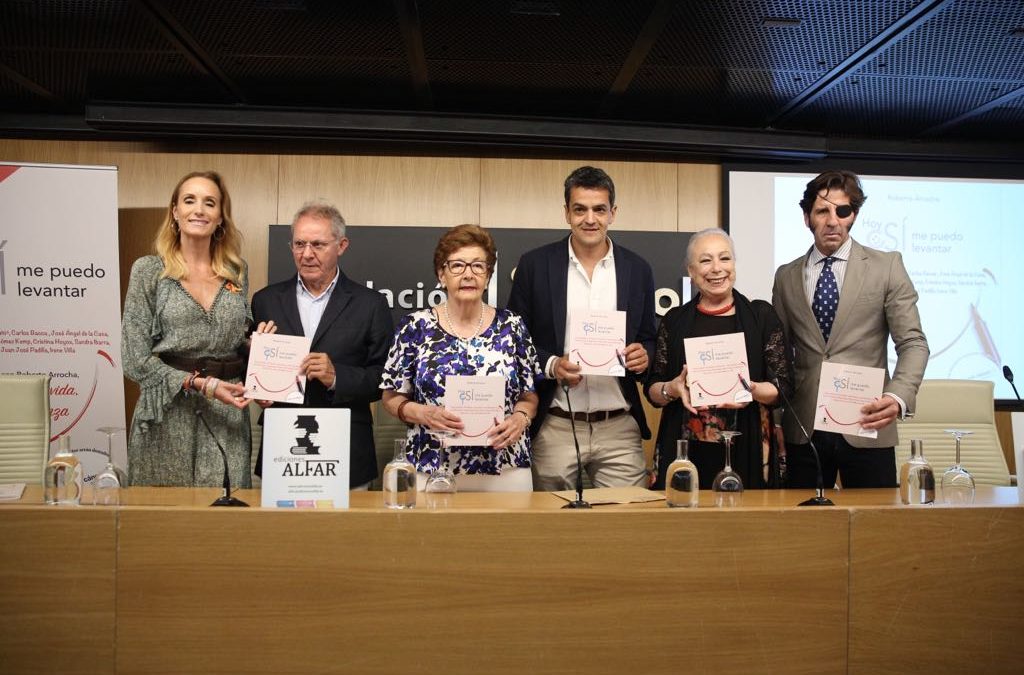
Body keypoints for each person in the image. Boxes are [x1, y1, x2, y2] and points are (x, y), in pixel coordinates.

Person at [772, 170, 929, 488]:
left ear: (853, 215)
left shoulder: (887, 266)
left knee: (876, 531)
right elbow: (779, 353)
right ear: (807, 217)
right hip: (803, 428)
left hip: (867, 423)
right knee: (803, 532)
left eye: (843, 211)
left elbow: (913, 342)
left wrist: (897, 397)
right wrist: (775, 419)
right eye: (822, 211)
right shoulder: (786, 276)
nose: (833, 220)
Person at [507, 166, 656, 490]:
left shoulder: (637, 268)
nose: (590, 219)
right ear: (566, 213)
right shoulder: (535, 265)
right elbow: (515, 341)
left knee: (628, 526)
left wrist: (644, 355)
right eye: (580, 209)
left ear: (613, 213)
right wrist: (551, 364)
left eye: (599, 209)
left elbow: (649, 337)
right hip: (556, 423)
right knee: (555, 532)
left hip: (618, 424)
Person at [380, 224, 541, 492]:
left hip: (505, 466)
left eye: (478, 266)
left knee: (511, 536)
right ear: (441, 274)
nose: (468, 274)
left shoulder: (512, 326)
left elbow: (529, 394)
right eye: (457, 266)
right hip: (430, 466)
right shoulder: (415, 327)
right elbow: (391, 397)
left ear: (488, 276)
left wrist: (521, 419)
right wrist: (422, 413)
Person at [122, 171, 253, 487]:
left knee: (226, 519)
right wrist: (201, 385)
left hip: (227, 415)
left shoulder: (236, 271)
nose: (199, 210)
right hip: (167, 415)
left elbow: (237, 340)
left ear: (220, 217)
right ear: (175, 212)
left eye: (210, 203)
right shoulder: (149, 271)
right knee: (164, 521)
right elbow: (134, 358)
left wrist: (262, 348)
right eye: (189, 200)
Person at [251, 201, 393, 489]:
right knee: (283, 536)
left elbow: (384, 378)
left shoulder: (371, 304)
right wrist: (260, 388)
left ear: (341, 246)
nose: (306, 254)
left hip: (347, 449)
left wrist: (337, 377)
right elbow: (252, 370)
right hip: (284, 450)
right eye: (299, 244)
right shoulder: (265, 300)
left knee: (347, 535)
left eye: (317, 244)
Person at [645, 228, 793, 490]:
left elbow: (782, 389)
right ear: (691, 271)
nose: (717, 268)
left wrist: (753, 389)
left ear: (734, 265)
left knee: (746, 529)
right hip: (687, 450)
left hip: (747, 447)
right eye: (705, 260)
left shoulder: (761, 317)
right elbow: (653, 390)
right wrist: (673, 389)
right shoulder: (675, 321)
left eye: (724, 259)